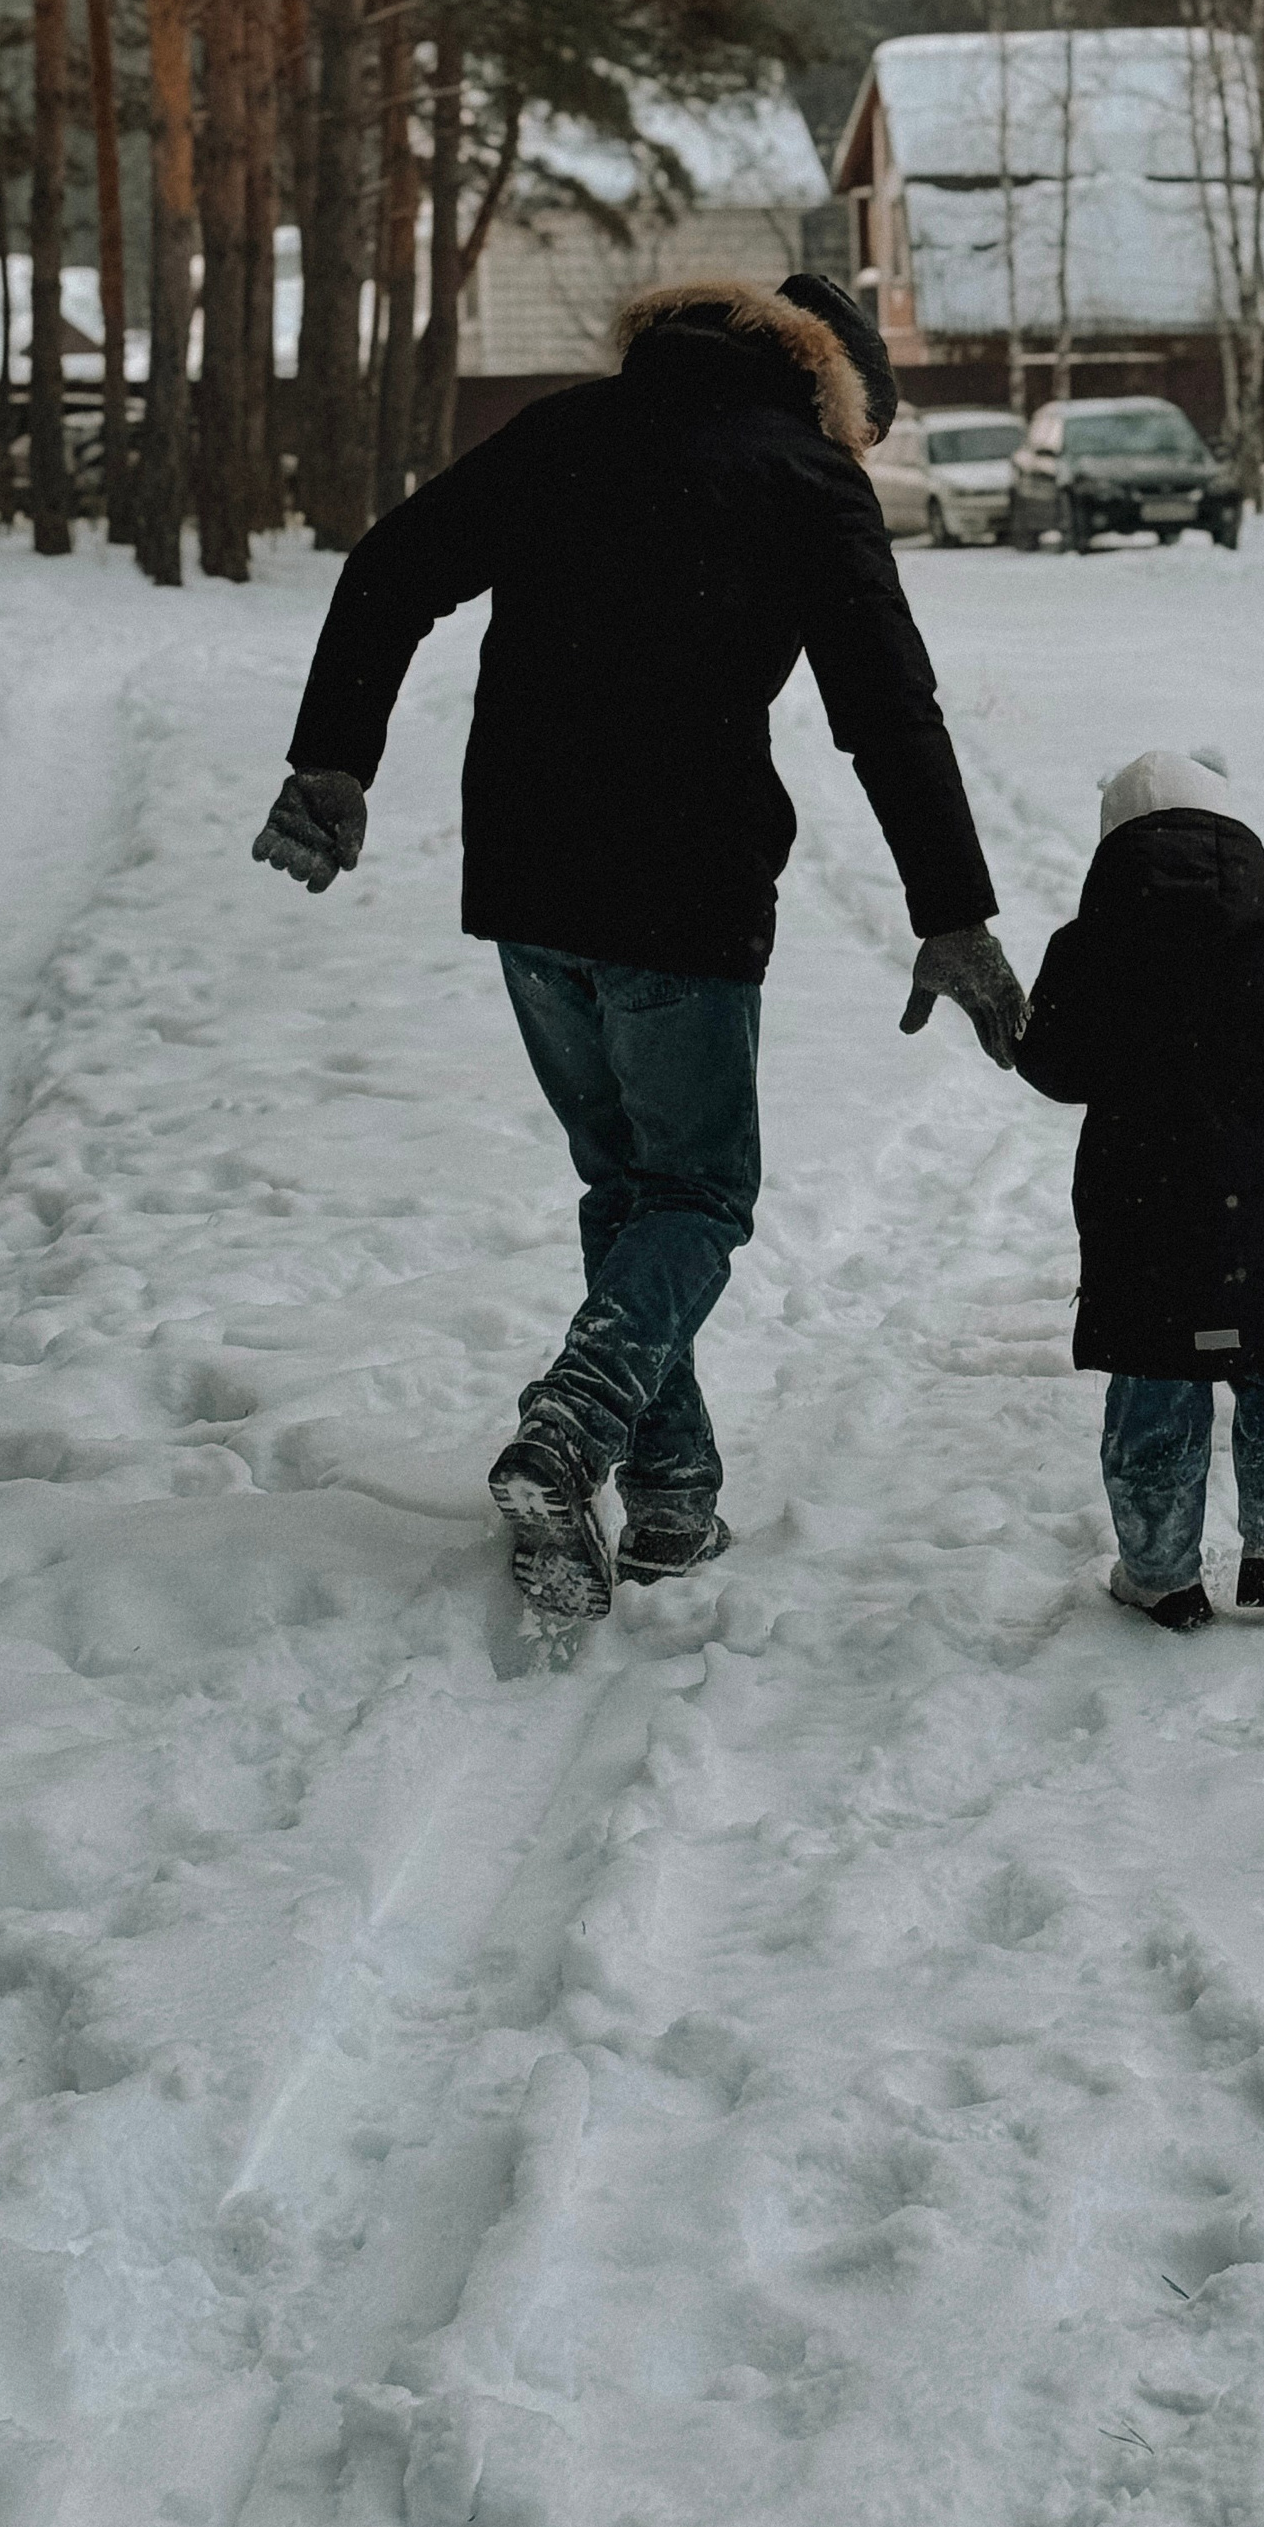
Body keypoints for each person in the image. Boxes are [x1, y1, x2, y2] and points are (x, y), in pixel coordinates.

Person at [252, 272, 1029, 1619]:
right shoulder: (804, 475)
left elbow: (389, 568)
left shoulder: (568, 428)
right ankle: (572, 1428)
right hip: (684, 885)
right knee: (695, 1193)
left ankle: (675, 1493)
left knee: (628, 1186)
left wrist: (335, 762)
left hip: (530, 880)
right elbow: (889, 711)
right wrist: (952, 913)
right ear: (833, 393)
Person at [1017, 749, 1264, 1630]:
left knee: (1155, 1397)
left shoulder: (1087, 949)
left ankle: (1160, 1571)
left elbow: (1052, 1064)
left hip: (1144, 1234)